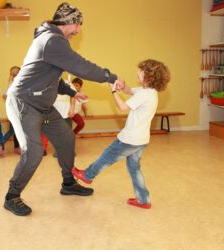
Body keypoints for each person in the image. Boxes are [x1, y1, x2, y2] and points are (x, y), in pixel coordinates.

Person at [4, 2, 125, 216]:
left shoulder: (53, 41)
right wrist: (110, 77)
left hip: (43, 104)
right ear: (67, 22)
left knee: (66, 139)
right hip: (24, 102)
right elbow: (81, 66)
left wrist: (72, 92)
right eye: (77, 24)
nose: (78, 30)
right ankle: (12, 196)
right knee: (32, 153)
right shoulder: (52, 40)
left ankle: (68, 183)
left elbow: (51, 77)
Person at [72, 59, 170, 209]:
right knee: (134, 169)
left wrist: (113, 90)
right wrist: (122, 86)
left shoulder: (145, 95)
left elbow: (122, 107)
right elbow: (130, 91)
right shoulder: (149, 92)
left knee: (107, 156)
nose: (138, 72)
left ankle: (88, 175)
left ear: (149, 76)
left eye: (141, 71)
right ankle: (144, 200)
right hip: (141, 140)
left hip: (130, 139)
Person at [1, 66, 21, 155]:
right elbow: (5, 96)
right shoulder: (11, 85)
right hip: (13, 112)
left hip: (19, 111)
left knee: (16, 130)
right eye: (13, 74)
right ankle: (0, 144)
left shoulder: (21, 83)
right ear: (11, 76)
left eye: (17, 74)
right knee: (12, 130)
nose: (15, 76)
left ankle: (17, 147)